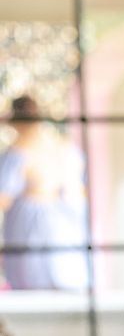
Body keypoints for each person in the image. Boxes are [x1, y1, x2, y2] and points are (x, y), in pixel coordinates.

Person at [0, 95, 88, 290]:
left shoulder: (20, 150)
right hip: (64, 225)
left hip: (32, 228)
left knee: (32, 285)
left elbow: (3, 198)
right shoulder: (61, 145)